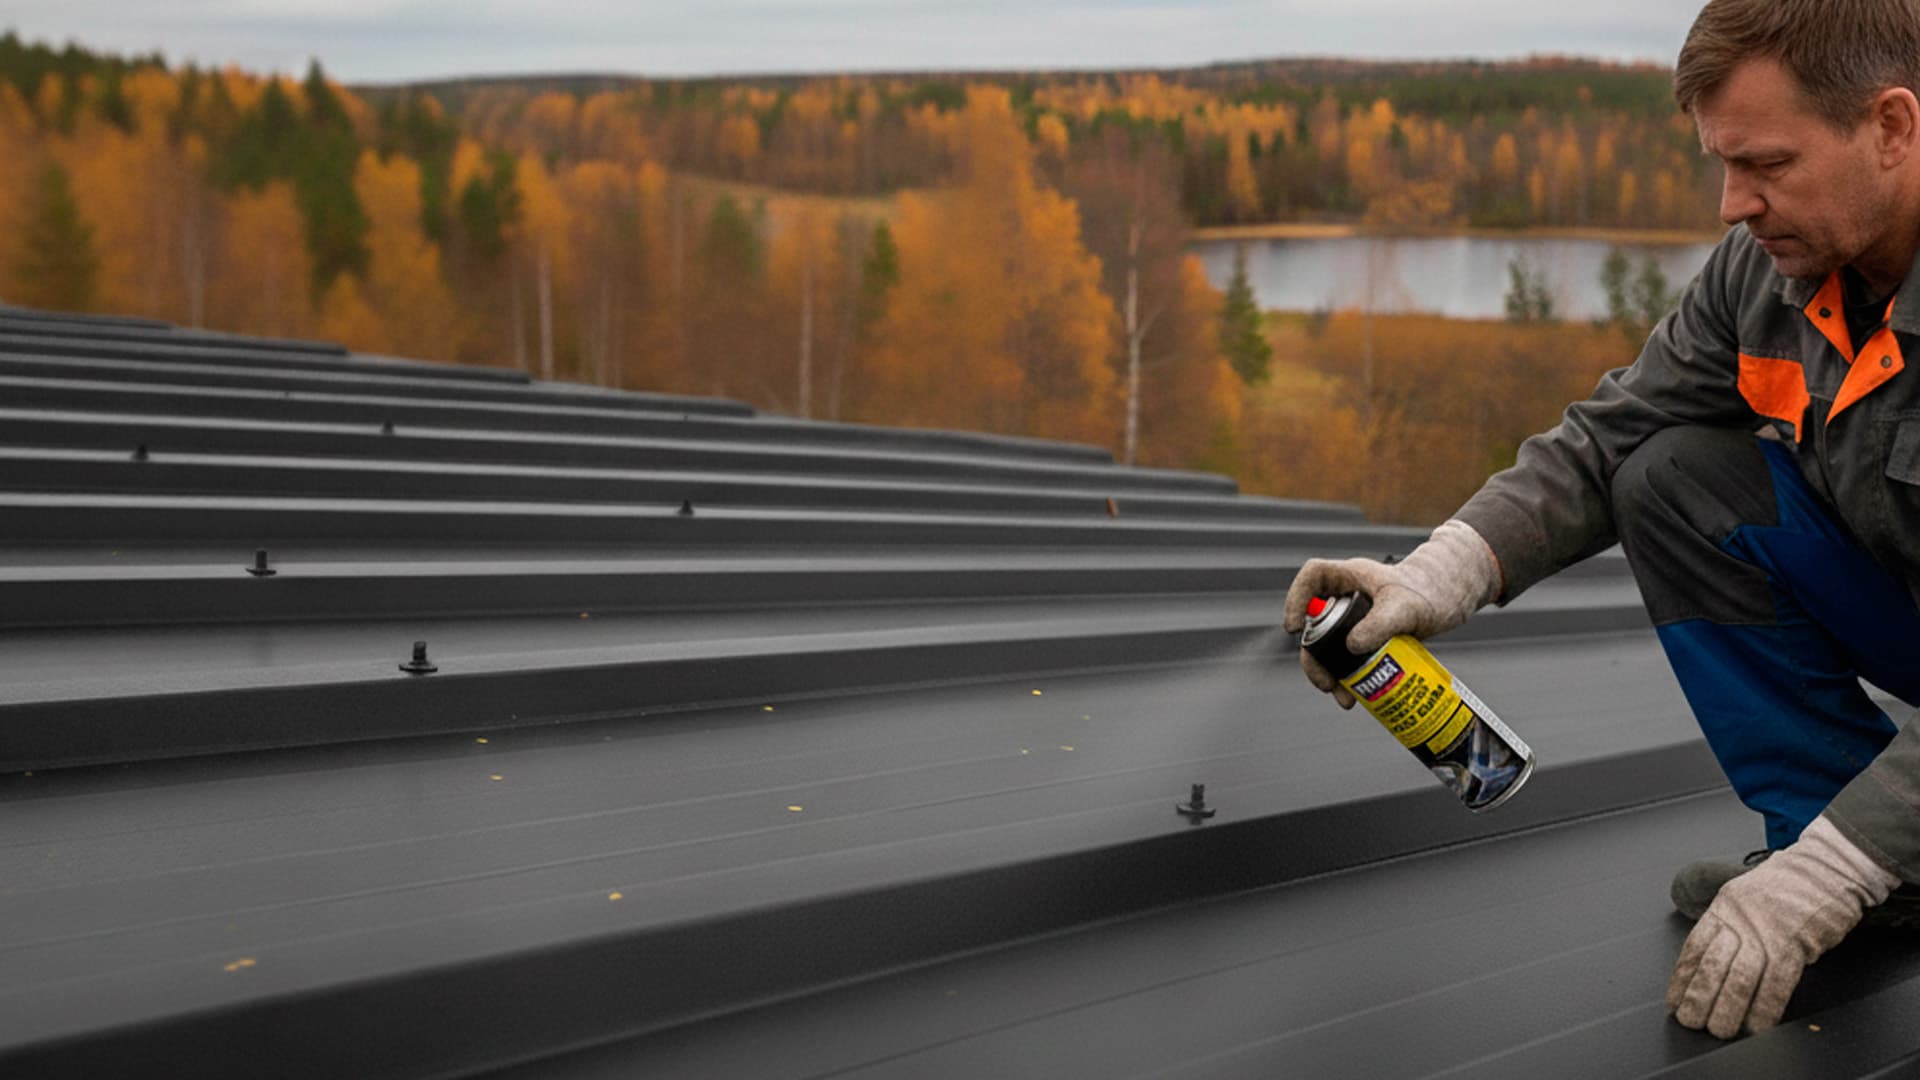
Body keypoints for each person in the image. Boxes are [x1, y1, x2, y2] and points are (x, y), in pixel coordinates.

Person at [1282, 0, 1920, 1042]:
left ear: (1892, 127)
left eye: (1766, 163)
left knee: (1849, 858)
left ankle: (1854, 858)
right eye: (1720, 162)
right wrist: (1440, 570)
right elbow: (1613, 435)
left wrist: (1836, 870)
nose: (1732, 204)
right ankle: (1854, 852)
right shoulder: (1771, 270)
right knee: (1670, 475)